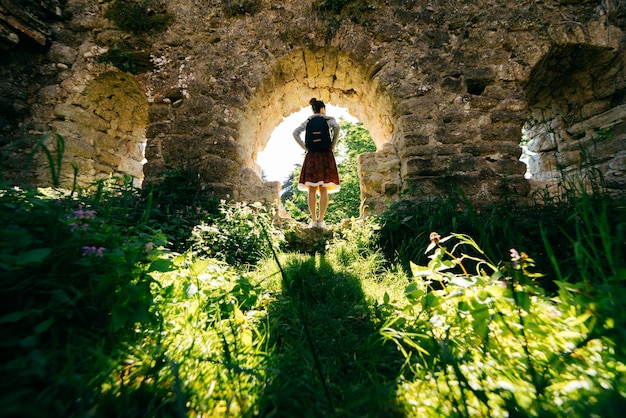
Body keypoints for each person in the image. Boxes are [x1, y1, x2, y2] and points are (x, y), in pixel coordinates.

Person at [292, 98, 341, 229]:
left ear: (313, 109)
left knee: (312, 189)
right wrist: (333, 144)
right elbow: (337, 127)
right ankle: (321, 220)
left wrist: (304, 147)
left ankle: (313, 220)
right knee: (323, 188)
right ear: (323, 109)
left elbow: (295, 133)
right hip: (326, 154)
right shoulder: (328, 119)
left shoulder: (308, 121)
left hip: (312, 155)